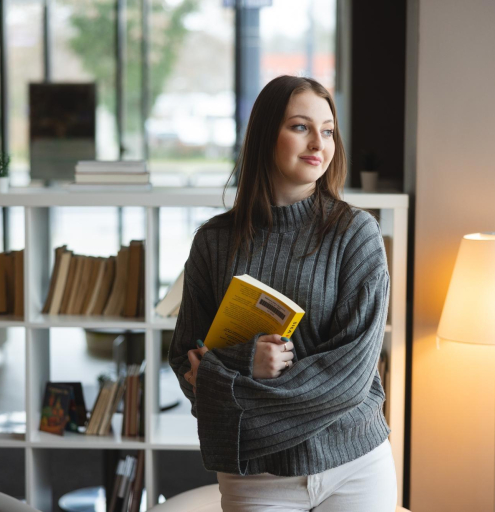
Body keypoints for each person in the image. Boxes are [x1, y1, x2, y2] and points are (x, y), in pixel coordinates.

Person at [168, 75, 397, 511]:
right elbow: (185, 359)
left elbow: (349, 380)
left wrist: (225, 391)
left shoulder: (357, 234)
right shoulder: (213, 242)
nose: (318, 143)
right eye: (300, 126)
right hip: (256, 476)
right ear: (264, 135)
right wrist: (246, 360)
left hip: (355, 465)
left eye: (327, 130)